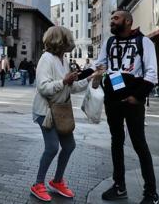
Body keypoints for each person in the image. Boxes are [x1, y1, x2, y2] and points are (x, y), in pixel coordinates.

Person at [30, 26, 103, 202]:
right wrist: (63, 81)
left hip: (61, 111)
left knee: (69, 146)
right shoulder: (46, 59)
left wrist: (89, 78)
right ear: (61, 40)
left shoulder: (62, 60)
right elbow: (43, 87)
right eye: (69, 39)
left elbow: (72, 87)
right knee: (53, 147)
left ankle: (56, 181)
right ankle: (38, 184)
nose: (72, 42)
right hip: (46, 111)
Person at [94, 10, 159, 204]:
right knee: (116, 142)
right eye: (111, 18)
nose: (111, 21)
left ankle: (151, 193)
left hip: (133, 102)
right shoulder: (109, 42)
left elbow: (151, 73)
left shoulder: (144, 42)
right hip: (112, 100)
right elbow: (99, 64)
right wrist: (94, 73)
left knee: (139, 144)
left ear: (128, 21)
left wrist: (136, 97)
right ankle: (119, 186)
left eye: (116, 18)